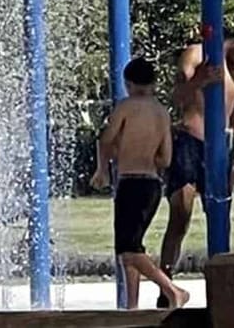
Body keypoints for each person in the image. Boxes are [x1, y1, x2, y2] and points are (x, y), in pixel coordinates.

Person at [157, 28, 234, 307]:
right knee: (180, 213)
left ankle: (223, 286)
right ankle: (166, 283)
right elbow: (177, 98)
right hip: (187, 139)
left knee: (219, 215)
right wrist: (199, 80)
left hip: (218, 147)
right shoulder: (196, 54)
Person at [91, 57, 190, 310]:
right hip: (152, 185)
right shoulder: (161, 112)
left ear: (128, 83)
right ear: (154, 83)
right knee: (131, 247)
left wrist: (103, 168)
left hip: (130, 182)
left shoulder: (126, 107)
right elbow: (165, 159)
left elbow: (106, 139)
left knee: (127, 249)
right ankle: (131, 307)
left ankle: (172, 290)